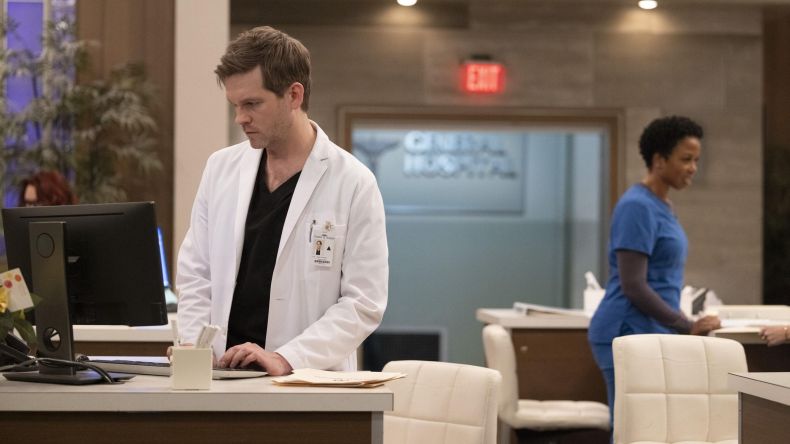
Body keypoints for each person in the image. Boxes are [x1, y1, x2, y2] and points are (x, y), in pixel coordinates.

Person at [175, 26, 388, 376]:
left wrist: (287, 357)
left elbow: (363, 303)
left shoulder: (354, 183)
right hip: (222, 377)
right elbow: (197, 272)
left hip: (305, 380)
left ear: (293, 95)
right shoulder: (220, 169)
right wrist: (194, 347)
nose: (240, 118)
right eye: (235, 105)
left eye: (252, 104)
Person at [587, 115, 721, 421]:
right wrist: (686, 325)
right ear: (659, 160)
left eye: (696, 160)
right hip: (626, 329)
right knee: (633, 426)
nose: (693, 168)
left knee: (651, 425)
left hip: (650, 329)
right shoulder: (637, 206)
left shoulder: (663, 206)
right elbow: (633, 285)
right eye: (685, 159)